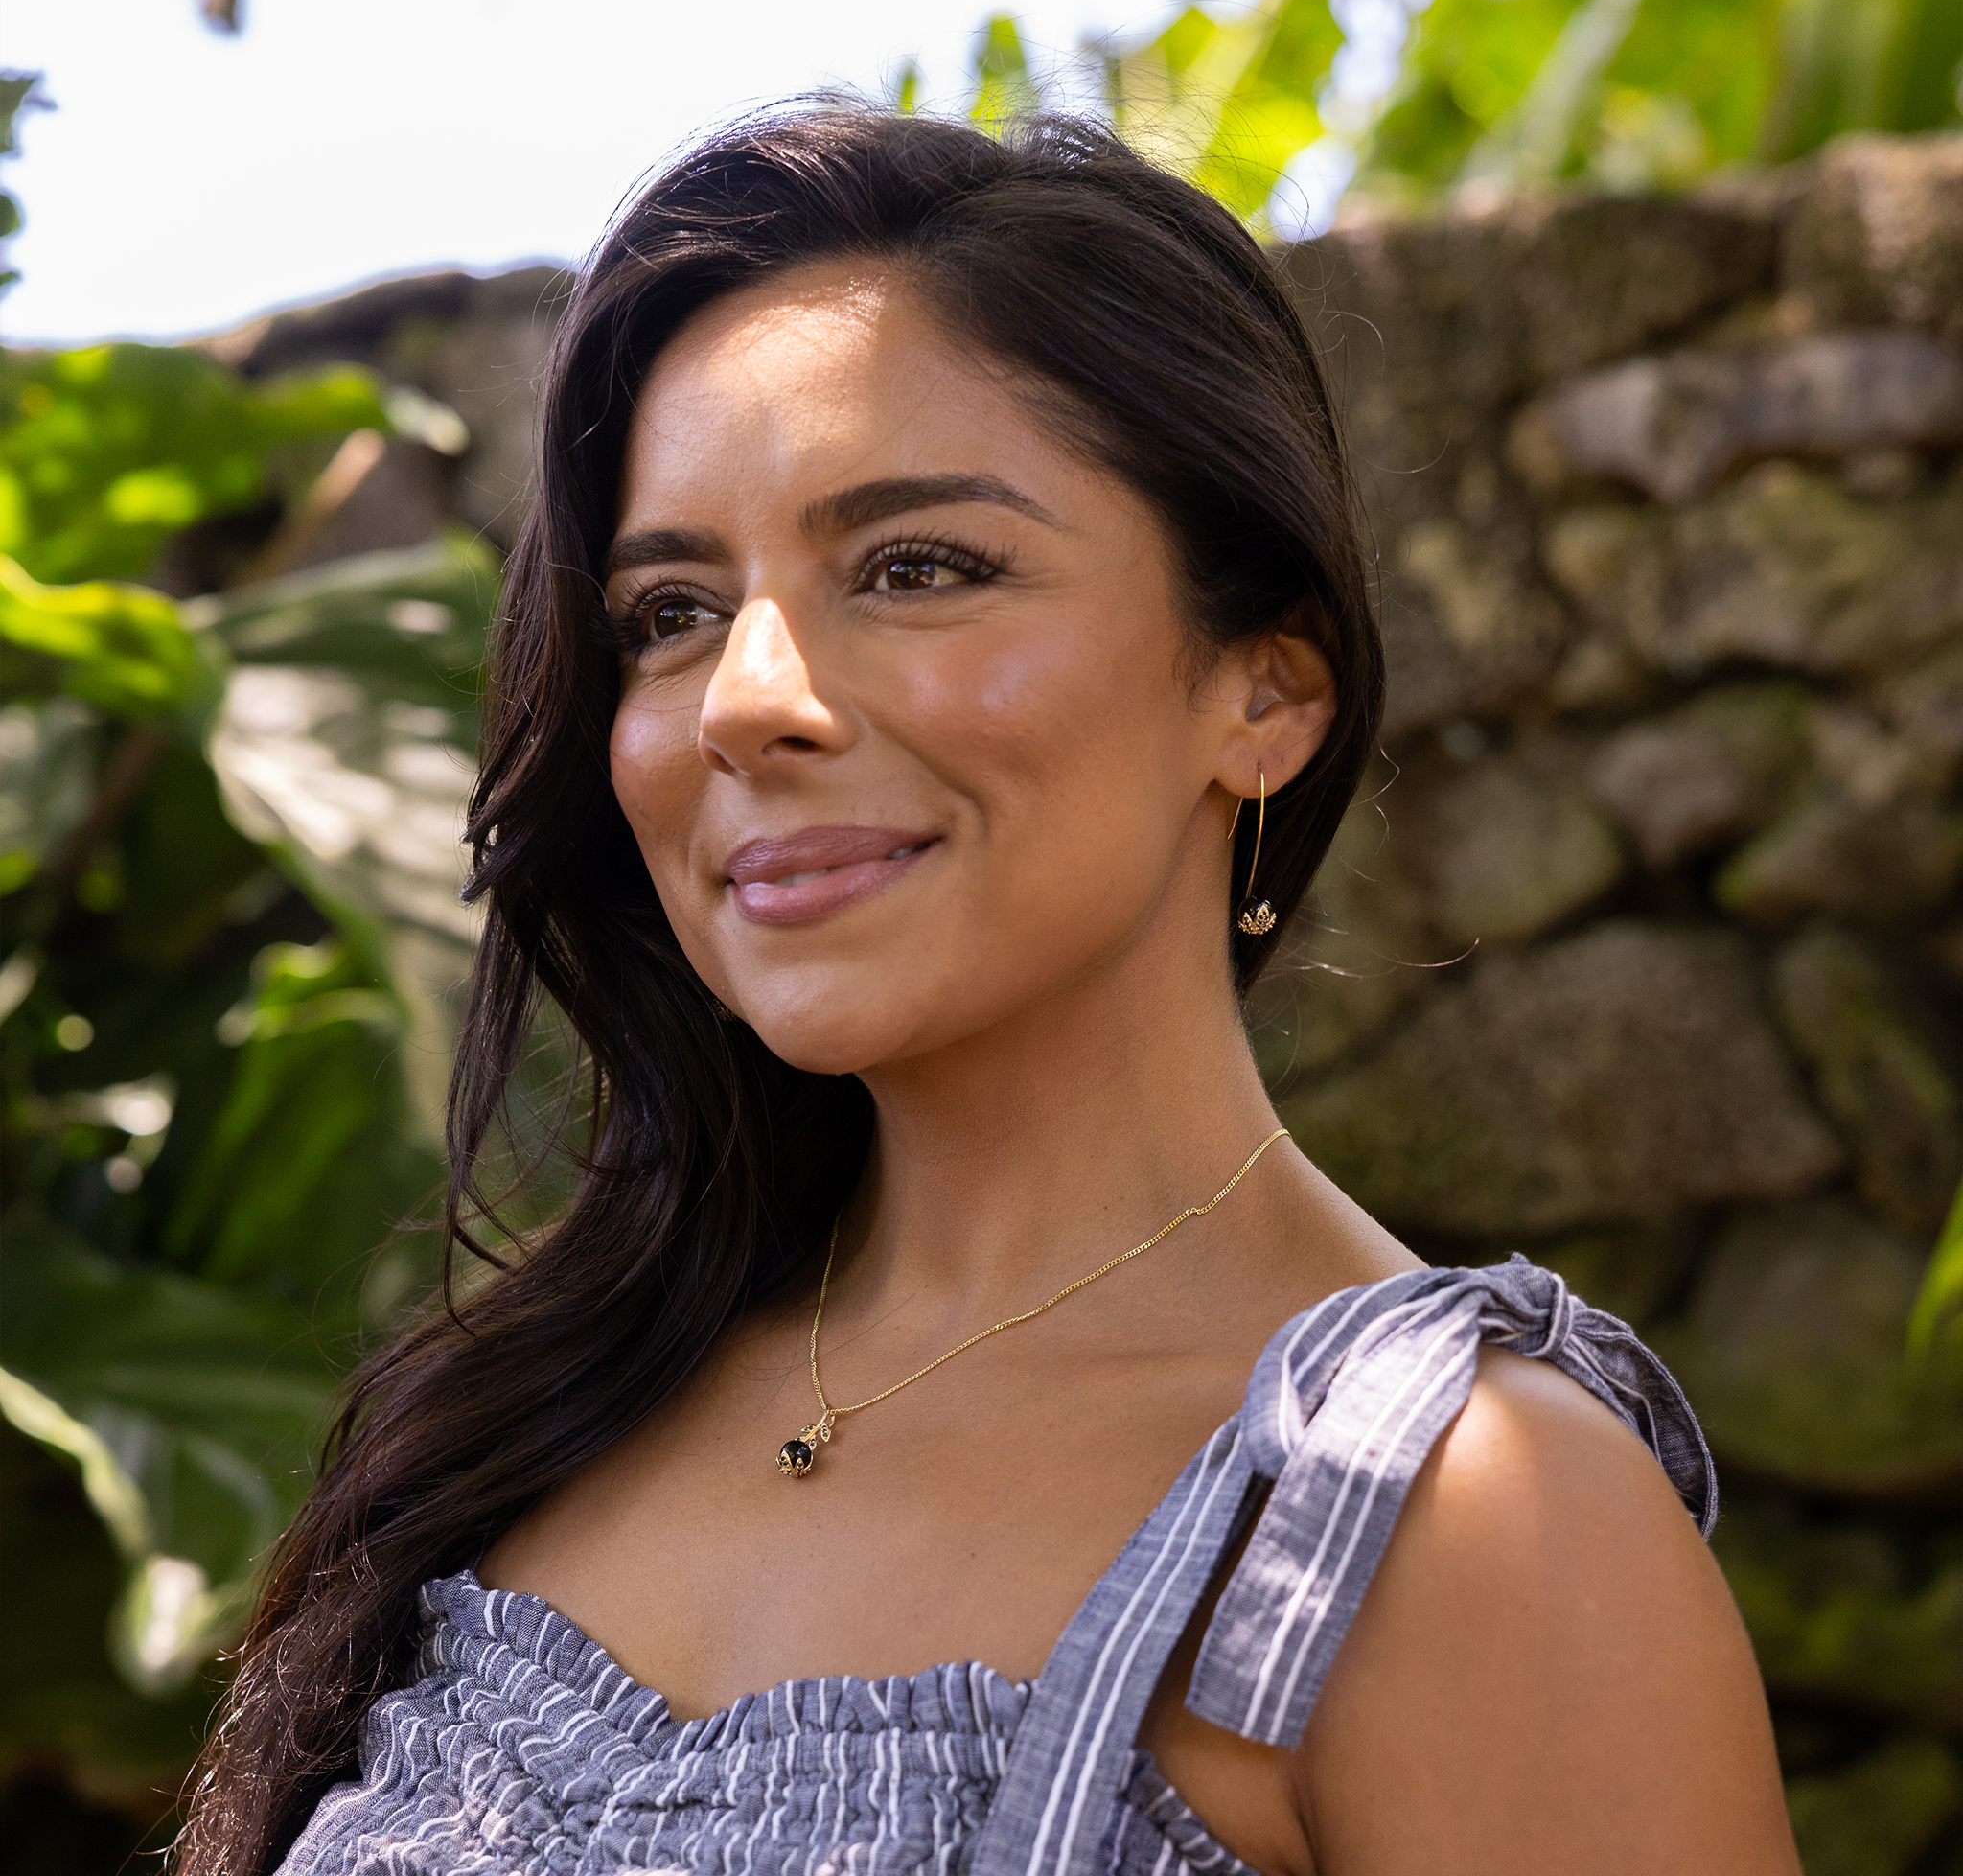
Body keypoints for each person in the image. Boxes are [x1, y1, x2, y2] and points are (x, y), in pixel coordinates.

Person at [175, 107, 1800, 1876]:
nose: (747, 699)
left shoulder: (1463, 1518)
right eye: (669, 610)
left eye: (918, 567)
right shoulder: (537, 1413)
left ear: (1265, 690)